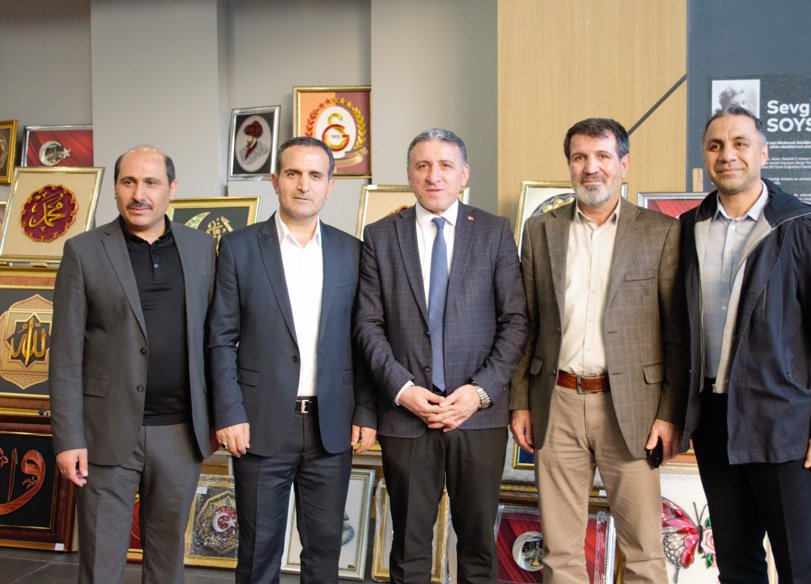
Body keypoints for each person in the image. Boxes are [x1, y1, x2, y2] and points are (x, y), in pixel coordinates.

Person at [679, 105, 811, 583]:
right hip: (714, 422)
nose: (727, 155)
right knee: (736, 564)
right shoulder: (688, 228)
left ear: (763, 153)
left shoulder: (802, 226)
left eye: (740, 143)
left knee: (799, 566)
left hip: (783, 424)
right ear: (704, 156)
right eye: (715, 145)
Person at [510, 118, 687, 584]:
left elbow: (677, 334)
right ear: (569, 165)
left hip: (632, 410)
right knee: (559, 551)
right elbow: (526, 323)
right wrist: (520, 401)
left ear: (624, 164)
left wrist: (669, 413)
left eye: (603, 156)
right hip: (557, 403)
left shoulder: (661, 232)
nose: (591, 168)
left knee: (644, 551)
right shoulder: (540, 230)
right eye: (580, 157)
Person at [354, 128, 527, 583]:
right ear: (409, 174)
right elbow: (367, 325)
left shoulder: (493, 231)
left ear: (464, 174)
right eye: (423, 166)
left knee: (477, 547)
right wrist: (402, 389)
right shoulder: (379, 236)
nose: (434, 176)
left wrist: (480, 391)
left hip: (478, 416)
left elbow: (515, 321)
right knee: (409, 549)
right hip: (406, 416)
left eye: (446, 165)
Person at [208, 136, 377, 583]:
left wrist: (366, 409)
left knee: (323, 555)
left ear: (330, 186)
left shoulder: (352, 251)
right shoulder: (239, 248)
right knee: (258, 554)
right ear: (275, 180)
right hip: (259, 424)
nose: (304, 185)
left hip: (331, 426)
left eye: (315, 175)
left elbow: (363, 339)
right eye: (293, 173)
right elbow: (220, 339)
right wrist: (229, 412)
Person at [50, 145, 216, 583]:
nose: (139, 194)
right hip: (104, 432)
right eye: (128, 182)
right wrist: (68, 438)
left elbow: (217, 340)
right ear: (115, 188)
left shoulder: (202, 249)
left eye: (151, 183)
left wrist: (220, 416)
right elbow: (64, 353)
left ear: (171, 189)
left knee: (166, 561)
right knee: (101, 562)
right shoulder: (83, 251)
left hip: (181, 433)